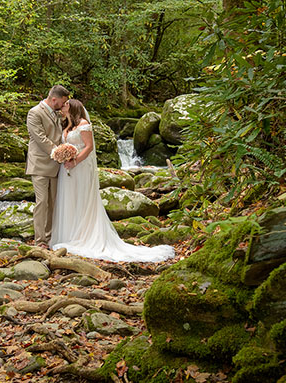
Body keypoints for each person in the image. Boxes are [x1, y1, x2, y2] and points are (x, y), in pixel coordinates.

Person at [50, 99, 175, 263]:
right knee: (70, 199)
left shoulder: (83, 124)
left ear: (73, 108)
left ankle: (84, 235)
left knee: (82, 199)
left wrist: (75, 161)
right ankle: (70, 234)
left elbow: (88, 147)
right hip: (67, 170)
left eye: (65, 105)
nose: (62, 107)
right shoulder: (68, 125)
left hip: (80, 168)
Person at [26, 85, 70, 248]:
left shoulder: (58, 114)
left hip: (55, 166)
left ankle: (50, 237)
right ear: (54, 99)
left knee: (53, 202)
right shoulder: (34, 113)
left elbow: (60, 134)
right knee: (42, 202)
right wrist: (61, 153)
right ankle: (40, 240)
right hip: (39, 165)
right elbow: (40, 138)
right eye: (63, 101)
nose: (64, 104)